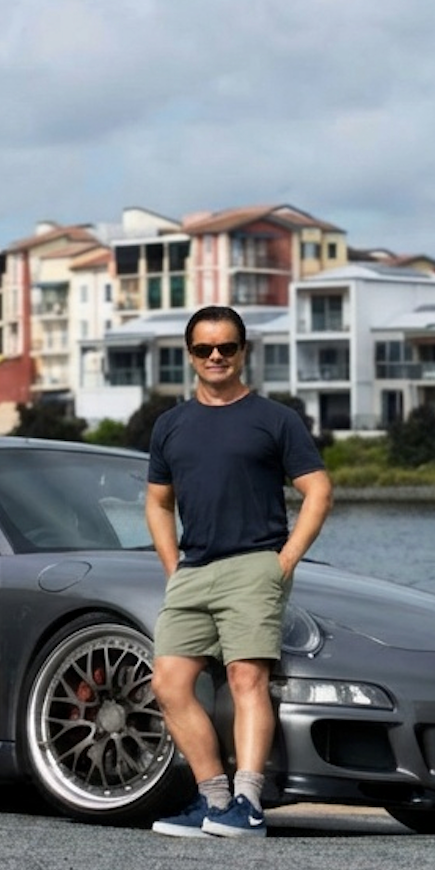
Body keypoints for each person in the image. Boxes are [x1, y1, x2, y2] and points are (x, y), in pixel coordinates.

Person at [145, 305, 332, 839]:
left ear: (243, 351)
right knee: (169, 684)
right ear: (190, 355)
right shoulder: (170, 425)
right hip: (193, 570)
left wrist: (284, 561)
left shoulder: (275, 419)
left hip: (254, 565)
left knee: (246, 679)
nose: (216, 356)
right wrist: (172, 567)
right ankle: (214, 801)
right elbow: (158, 501)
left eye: (226, 347)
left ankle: (248, 804)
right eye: (204, 349)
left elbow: (318, 490)